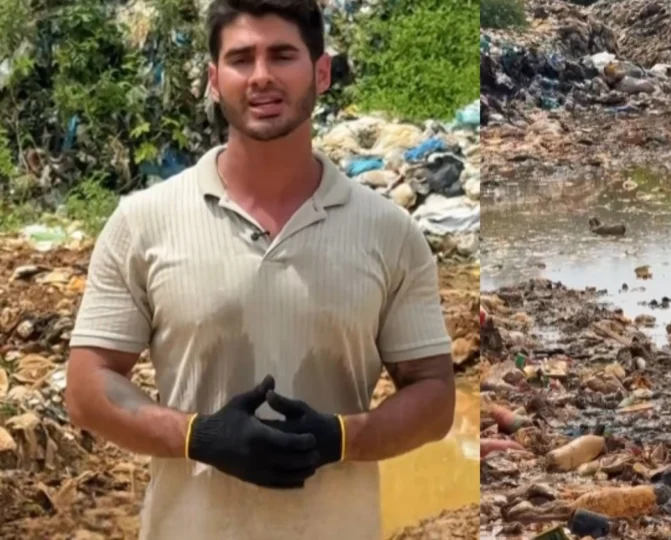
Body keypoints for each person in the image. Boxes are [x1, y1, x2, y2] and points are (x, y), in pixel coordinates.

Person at [63, 0, 456, 538]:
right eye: (241, 58)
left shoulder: (389, 233)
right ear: (213, 79)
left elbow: (434, 396)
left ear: (320, 71)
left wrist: (342, 438)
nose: (262, 77)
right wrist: (197, 436)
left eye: (283, 55)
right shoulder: (143, 222)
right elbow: (88, 388)